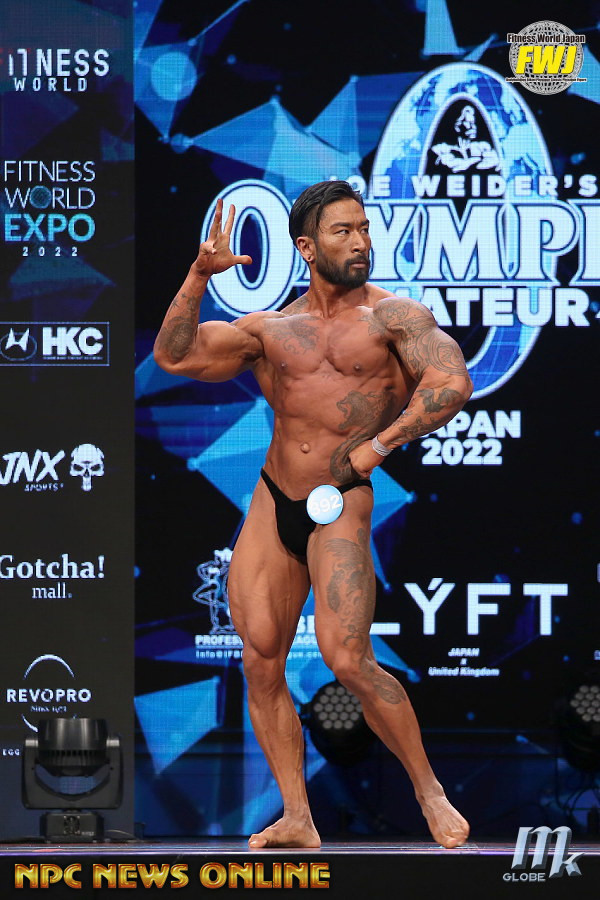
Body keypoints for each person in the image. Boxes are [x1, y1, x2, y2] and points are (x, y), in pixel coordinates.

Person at [154, 180, 472, 849]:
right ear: (305, 247)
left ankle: (429, 791)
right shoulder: (271, 329)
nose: (360, 243)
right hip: (275, 499)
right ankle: (298, 816)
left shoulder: (395, 317)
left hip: (341, 500)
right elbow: (174, 355)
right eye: (342, 232)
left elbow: (451, 383)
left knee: (347, 657)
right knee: (260, 658)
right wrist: (198, 276)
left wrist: (380, 446)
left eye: (364, 229)